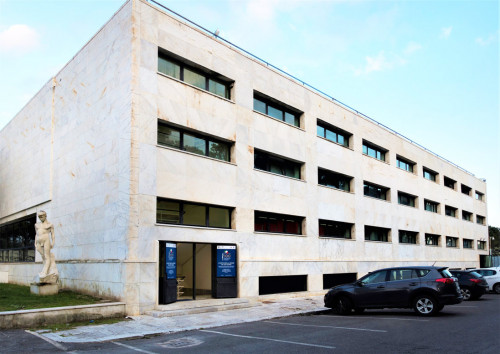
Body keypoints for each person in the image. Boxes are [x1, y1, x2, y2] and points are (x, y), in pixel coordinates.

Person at [35, 210, 58, 279]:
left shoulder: (50, 225)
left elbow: (53, 235)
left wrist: (53, 243)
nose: (40, 217)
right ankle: (46, 270)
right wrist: (35, 242)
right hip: (39, 241)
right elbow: (36, 234)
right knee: (43, 256)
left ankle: (45, 272)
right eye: (39, 216)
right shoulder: (37, 225)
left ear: (45, 216)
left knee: (47, 257)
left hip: (46, 240)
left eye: (41, 216)